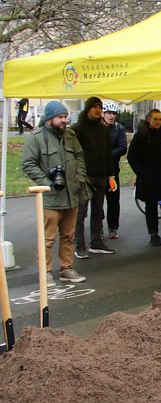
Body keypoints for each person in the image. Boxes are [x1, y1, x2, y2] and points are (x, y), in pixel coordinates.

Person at [21, 101, 87, 284]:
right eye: (60, 117)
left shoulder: (70, 135)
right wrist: (46, 183)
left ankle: (67, 268)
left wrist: (80, 177)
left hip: (71, 194)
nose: (64, 120)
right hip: (51, 197)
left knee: (68, 235)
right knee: (47, 238)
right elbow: (28, 164)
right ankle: (46, 271)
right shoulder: (36, 138)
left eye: (65, 117)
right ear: (49, 118)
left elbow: (80, 155)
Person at [127, 109, 161, 247]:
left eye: (160, 119)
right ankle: (154, 235)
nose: (158, 122)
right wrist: (142, 174)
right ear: (148, 119)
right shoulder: (140, 136)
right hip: (147, 178)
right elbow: (132, 157)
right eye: (155, 119)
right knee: (150, 207)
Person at [73, 96, 117, 258]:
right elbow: (74, 154)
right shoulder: (78, 128)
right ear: (88, 108)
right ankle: (80, 245)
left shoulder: (104, 129)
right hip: (85, 176)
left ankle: (96, 242)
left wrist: (111, 174)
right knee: (81, 212)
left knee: (98, 210)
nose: (98, 110)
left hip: (101, 175)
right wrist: (79, 174)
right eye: (94, 107)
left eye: (100, 107)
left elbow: (107, 153)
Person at [102, 101, 127, 239]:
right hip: (98, 172)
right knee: (97, 202)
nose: (111, 116)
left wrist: (107, 155)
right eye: (109, 113)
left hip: (113, 171)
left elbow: (123, 147)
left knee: (113, 200)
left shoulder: (119, 129)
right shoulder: (97, 128)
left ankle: (113, 227)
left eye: (114, 114)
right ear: (103, 114)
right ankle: (98, 227)